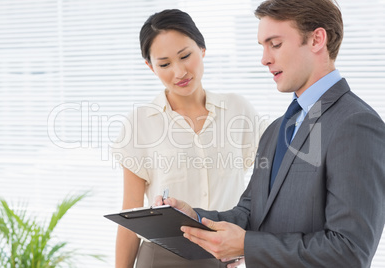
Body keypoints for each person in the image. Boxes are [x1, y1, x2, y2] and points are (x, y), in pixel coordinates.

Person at [156, 1, 385, 267]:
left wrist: (246, 245)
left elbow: (349, 251)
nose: (264, 59)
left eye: (275, 44)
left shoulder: (356, 124)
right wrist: (194, 218)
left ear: (317, 39)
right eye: (262, 47)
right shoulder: (276, 129)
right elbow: (251, 214)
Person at [113, 9, 266, 268]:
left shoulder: (238, 110)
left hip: (223, 256)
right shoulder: (139, 123)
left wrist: (247, 244)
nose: (179, 71)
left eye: (185, 56)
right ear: (150, 67)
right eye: (164, 64)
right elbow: (131, 214)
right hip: (161, 258)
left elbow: (267, 190)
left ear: (202, 49)